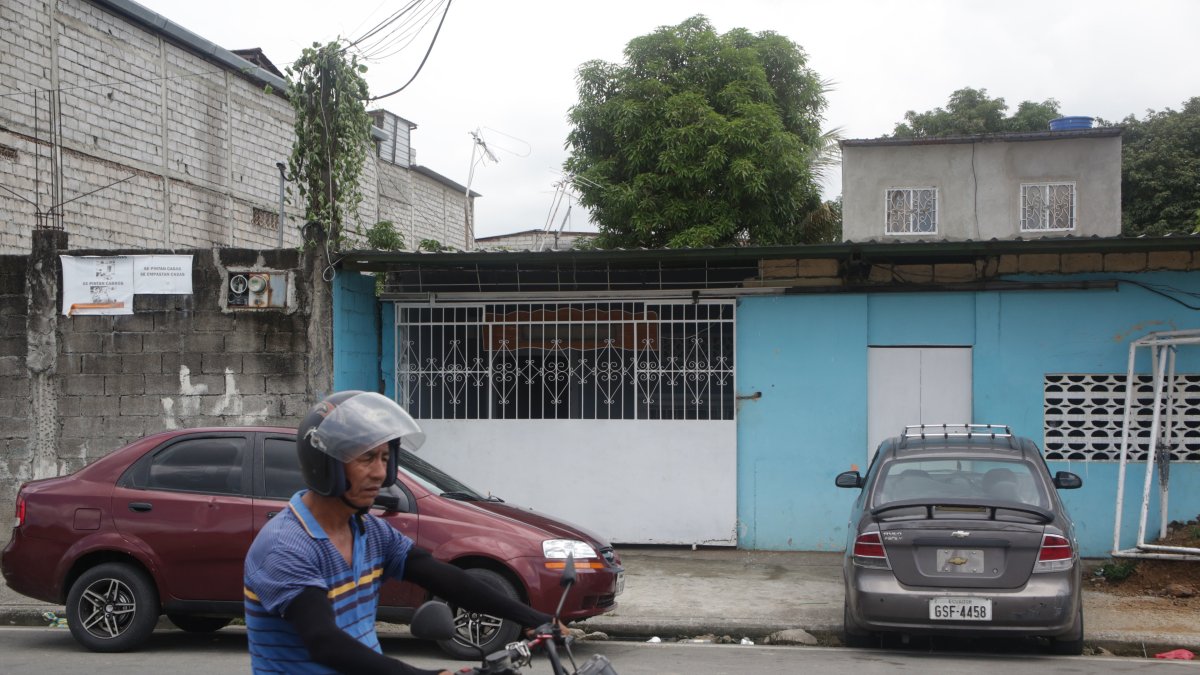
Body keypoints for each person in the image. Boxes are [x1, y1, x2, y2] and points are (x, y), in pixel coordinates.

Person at [244, 390, 554, 675]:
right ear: (326, 464)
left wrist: (532, 618)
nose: (380, 473)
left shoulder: (371, 532)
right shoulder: (286, 547)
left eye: (385, 458)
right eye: (366, 457)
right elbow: (324, 641)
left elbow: (444, 578)